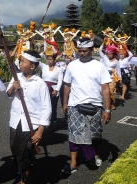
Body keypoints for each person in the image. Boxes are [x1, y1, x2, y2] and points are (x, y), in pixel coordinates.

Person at [7, 50, 51, 184]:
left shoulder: (40, 84)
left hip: (30, 124)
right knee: (16, 153)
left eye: (23, 61)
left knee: (25, 155)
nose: (20, 63)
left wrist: (40, 130)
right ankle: (24, 178)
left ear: (32, 66)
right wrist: (13, 87)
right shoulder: (16, 76)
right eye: (20, 61)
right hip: (15, 122)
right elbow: (8, 94)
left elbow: (47, 108)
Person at [62, 37, 112, 174]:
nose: (82, 53)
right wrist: (65, 102)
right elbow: (67, 85)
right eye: (80, 51)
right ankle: (74, 163)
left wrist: (107, 109)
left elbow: (105, 88)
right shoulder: (72, 65)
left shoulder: (99, 66)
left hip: (94, 106)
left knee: (94, 134)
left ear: (92, 50)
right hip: (75, 105)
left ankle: (94, 154)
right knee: (74, 134)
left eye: (85, 51)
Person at [40, 53, 64, 129]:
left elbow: (60, 81)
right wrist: (43, 52)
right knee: (43, 106)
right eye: (48, 59)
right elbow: (37, 59)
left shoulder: (58, 69)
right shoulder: (44, 67)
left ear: (54, 60)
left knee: (52, 106)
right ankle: (42, 123)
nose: (49, 61)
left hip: (53, 89)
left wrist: (57, 90)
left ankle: (52, 123)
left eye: (51, 59)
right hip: (44, 89)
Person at [98, 43, 121, 109]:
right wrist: (103, 43)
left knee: (111, 91)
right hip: (105, 78)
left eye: (110, 54)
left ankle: (113, 103)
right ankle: (108, 104)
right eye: (108, 53)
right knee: (106, 92)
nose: (109, 55)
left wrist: (120, 80)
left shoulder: (116, 61)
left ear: (113, 54)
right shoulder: (105, 58)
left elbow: (118, 71)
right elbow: (100, 51)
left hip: (112, 78)